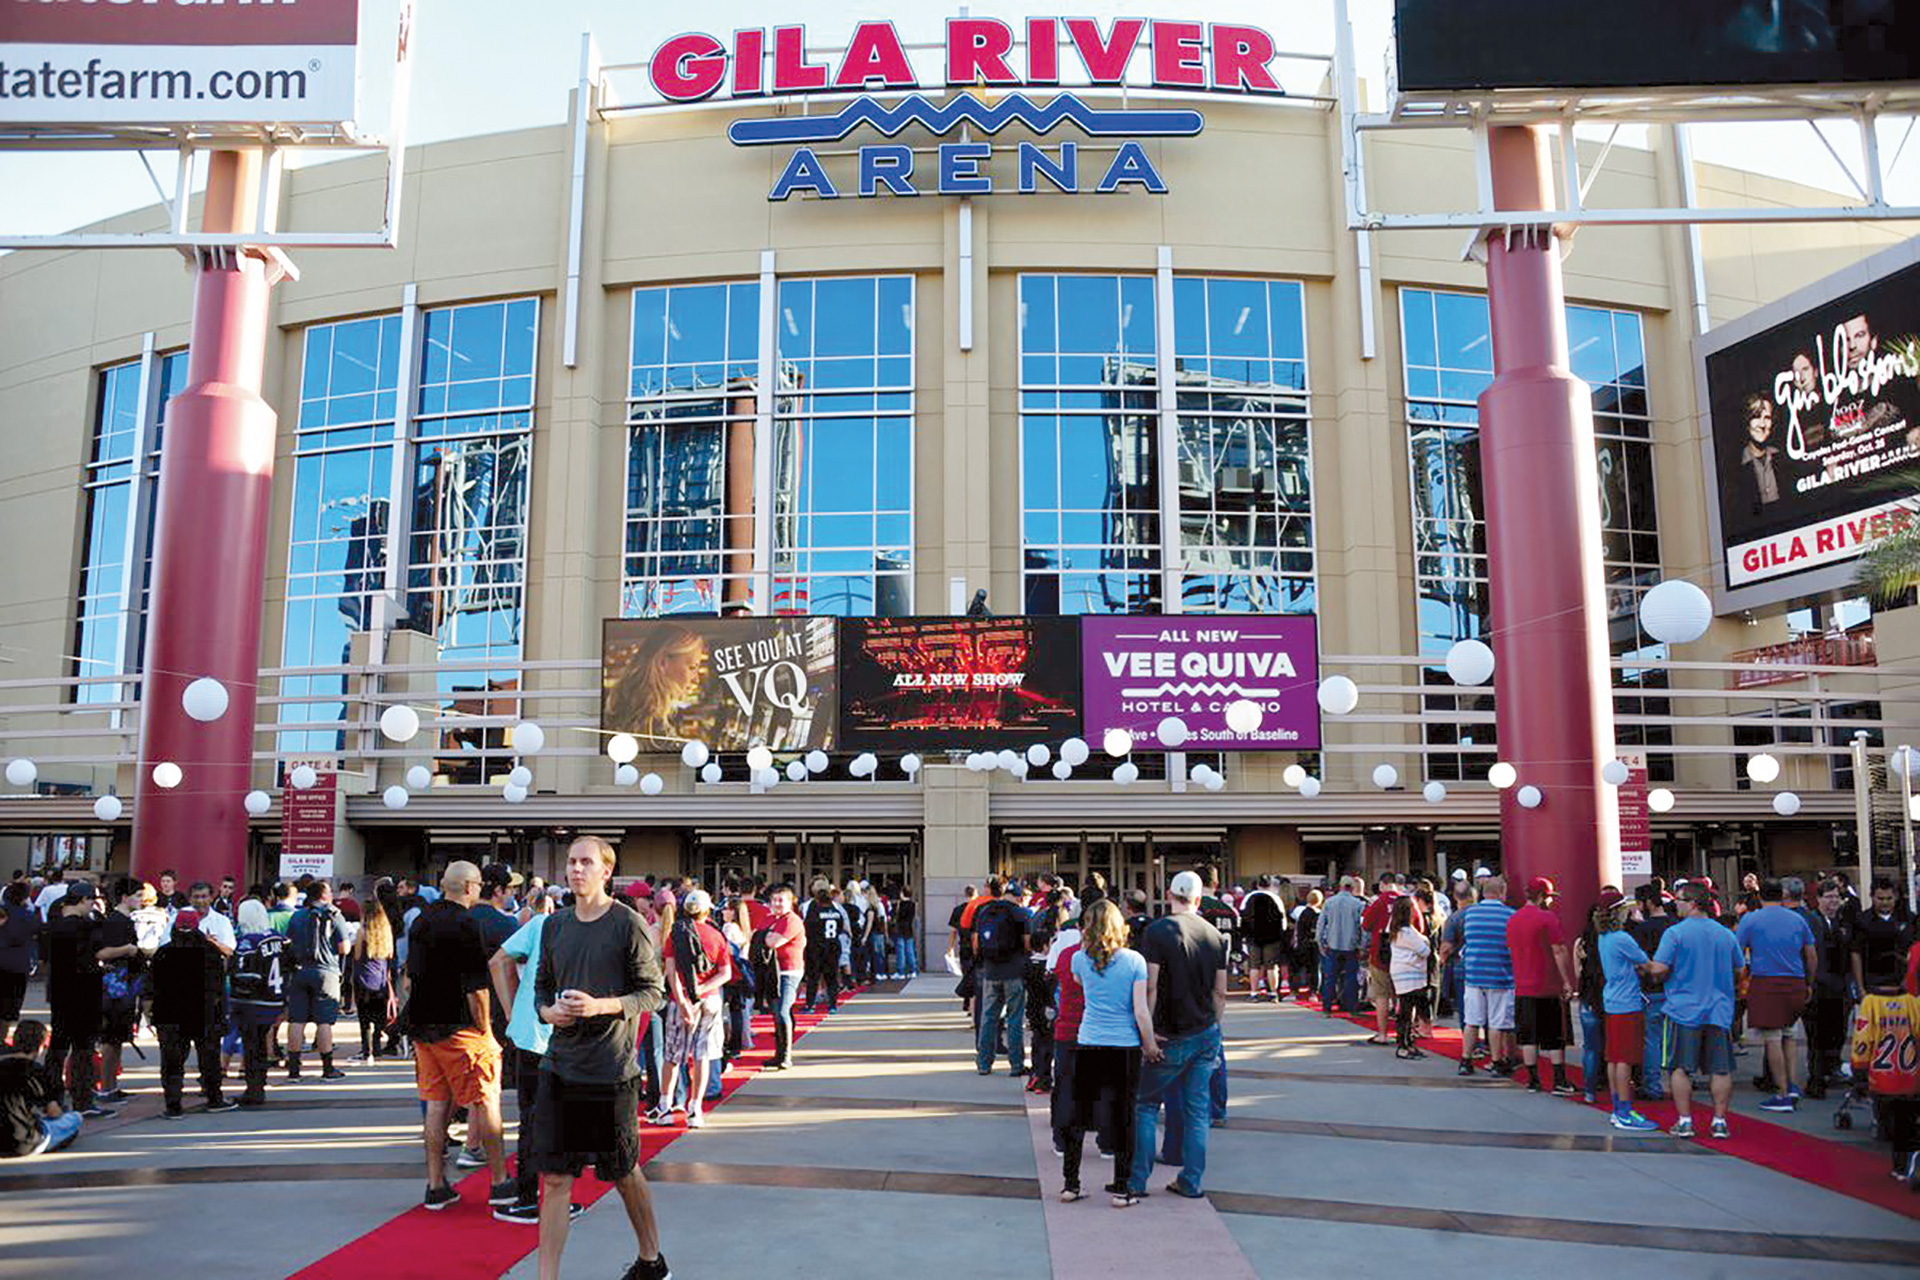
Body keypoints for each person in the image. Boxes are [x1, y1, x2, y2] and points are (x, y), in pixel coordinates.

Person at [532, 836, 669, 1280]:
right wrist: (547, 1011)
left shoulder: (627, 924)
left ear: (606, 871)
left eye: (586, 862)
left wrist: (601, 1006)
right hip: (559, 1066)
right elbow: (541, 984)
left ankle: (652, 1260)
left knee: (624, 1172)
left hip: (611, 1071)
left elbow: (653, 993)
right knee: (554, 1178)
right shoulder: (554, 925)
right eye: (571, 862)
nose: (575, 869)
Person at [404, 860, 513, 1212]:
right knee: (487, 1100)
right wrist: (487, 1031)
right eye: (479, 884)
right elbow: (476, 988)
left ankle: (436, 1184)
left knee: (437, 1105)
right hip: (462, 1028)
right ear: (468, 887)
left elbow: (410, 976)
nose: (480, 890)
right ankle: (499, 1182)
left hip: (424, 1027)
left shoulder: (421, 920)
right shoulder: (467, 923)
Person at [1127, 870, 1226, 1205]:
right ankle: (1191, 1179)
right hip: (1205, 1031)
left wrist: (1148, 1036)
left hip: (1168, 1032)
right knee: (1197, 1109)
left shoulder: (1157, 931)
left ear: (1169, 894)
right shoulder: (1214, 935)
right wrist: (1214, 1027)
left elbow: (1151, 985)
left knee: (1145, 1104)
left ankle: (1138, 1179)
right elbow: (1220, 993)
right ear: (1199, 898)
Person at [487, 884, 582, 1225]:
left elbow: (498, 961)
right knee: (560, 1121)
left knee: (530, 1119)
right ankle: (551, 1196)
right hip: (567, 1038)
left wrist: (513, 1010)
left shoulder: (541, 924)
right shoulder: (590, 933)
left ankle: (528, 1195)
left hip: (530, 1033)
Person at [1061, 900, 1161, 1205]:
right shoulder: (1135, 961)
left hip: (1088, 1040)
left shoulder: (1079, 959)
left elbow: (1079, 984)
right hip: (1124, 1046)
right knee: (1123, 1116)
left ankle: (1071, 1184)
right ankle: (1121, 1187)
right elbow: (1141, 1012)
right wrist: (1151, 1046)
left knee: (1078, 1114)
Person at [1648, 884, 1744, 1139]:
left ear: (1691, 903)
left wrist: (1646, 968)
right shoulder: (1725, 934)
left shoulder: (1675, 933)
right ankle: (1720, 1121)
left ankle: (1685, 1120)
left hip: (1683, 1009)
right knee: (1720, 1069)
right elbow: (1739, 968)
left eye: (1678, 901)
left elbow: (1659, 968)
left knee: (1680, 1067)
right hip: (1719, 1010)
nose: (1674, 905)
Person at [650, 888, 732, 1129]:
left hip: (680, 1001)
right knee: (702, 1055)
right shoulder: (716, 936)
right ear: (707, 910)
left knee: (673, 1055)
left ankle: (665, 1107)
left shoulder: (675, 934)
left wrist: (685, 1000)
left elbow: (672, 973)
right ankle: (695, 1109)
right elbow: (725, 973)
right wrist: (703, 988)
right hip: (710, 1000)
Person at [1735, 878, 1817, 1112]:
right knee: (1789, 1035)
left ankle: (1781, 1093)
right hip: (1795, 980)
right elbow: (1811, 955)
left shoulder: (1751, 919)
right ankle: (1792, 1084)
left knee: (1772, 1037)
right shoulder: (1798, 919)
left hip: (1766, 980)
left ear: (1761, 896)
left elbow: (1737, 953)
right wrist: (1809, 982)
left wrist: (1740, 977)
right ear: (1781, 895)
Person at [147, 909, 237, 1118]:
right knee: (209, 1058)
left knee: (171, 1062)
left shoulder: (164, 952)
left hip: (170, 1014)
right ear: (197, 926)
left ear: (175, 927)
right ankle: (214, 1098)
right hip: (204, 1013)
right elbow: (218, 985)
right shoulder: (210, 951)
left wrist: (149, 1013)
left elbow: (151, 987)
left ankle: (173, 1105)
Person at [44, 882, 112, 1118]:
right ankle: (83, 1099)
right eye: (91, 900)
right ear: (83, 901)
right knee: (83, 1049)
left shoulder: (54, 926)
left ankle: (52, 1097)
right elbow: (100, 951)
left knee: (58, 1048)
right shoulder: (86, 927)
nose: (94, 905)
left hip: (60, 992)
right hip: (84, 993)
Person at [1594, 895, 1659, 1131]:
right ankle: (1623, 1111)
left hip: (1612, 1000)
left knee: (1614, 1057)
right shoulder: (1622, 938)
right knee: (1624, 1059)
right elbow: (1648, 964)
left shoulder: (1604, 937)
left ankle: (1618, 1107)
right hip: (1627, 1003)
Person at [1508, 877, 1577, 1095]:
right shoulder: (1548, 918)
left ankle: (1533, 1080)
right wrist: (1566, 980)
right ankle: (1558, 1080)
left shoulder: (1513, 920)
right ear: (1541, 896)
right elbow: (1558, 950)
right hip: (1547, 985)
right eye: (1549, 897)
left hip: (1522, 986)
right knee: (1554, 1036)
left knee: (1529, 1036)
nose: (1551, 901)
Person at [285, 880, 350, 1081]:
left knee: (296, 1020)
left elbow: (289, 942)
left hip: (300, 971)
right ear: (323, 895)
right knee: (324, 1022)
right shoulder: (334, 915)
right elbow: (344, 948)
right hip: (326, 972)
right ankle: (327, 1068)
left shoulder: (296, 916)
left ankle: (294, 1070)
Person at [1456, 876, 1517, 1078]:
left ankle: (1465, 1060)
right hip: (1500, 974)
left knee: (1472, 1020)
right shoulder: (1510, 915)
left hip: (1473, 974)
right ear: (1502, 893)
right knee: (1497, 1023)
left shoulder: (1470, 913)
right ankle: (1497, 1061)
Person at [972, 878, 1031, 1077]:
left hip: (991, 971)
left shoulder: (984, 911)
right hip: (1014, 972)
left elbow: (976, 943)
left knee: (988, 1017)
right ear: (1018, 897)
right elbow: (1027, 944)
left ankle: (984, 1063)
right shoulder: (1020, 913)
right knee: (1014, 1019)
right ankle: (1016, 1065)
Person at [229, 913, 288, 1108]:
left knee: (251, 1046)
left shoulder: (249, 941)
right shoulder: (279, 938)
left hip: (253, 1002)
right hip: (274, 998)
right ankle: (258, 1086)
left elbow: (243, 973)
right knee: (261, 1046)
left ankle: (254, 1090)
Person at [0, 1021, 81, 1158]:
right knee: (75, 1118)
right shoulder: (36, 1071)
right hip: (24, 1142)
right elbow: (54, 1112)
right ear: (41, 1046)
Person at [1804, 878, 1853, 1098]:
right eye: (1829, 897)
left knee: (1838, 1031)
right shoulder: (1812, 921)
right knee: (1817, 1036)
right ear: (1819, 899)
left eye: (1836, 897)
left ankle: (1831, 1069)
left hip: (1840, 986)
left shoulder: (1844, 921)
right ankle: (1816, 1078)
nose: (1833, 901)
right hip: (1819, 986)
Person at [763, 886, 806, 1070]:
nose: (777, 904)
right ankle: (779, 1053)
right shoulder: (772, 919)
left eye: (781, 900)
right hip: (774, 971)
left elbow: (773, 942)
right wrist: (766, 935)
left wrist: (765, 936)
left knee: (782, 1010)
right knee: (775, 1011)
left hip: (789, 971)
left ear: (790, 902)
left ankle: (786, 1055)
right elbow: (754, 935)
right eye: (774, 900)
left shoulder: (792, 921)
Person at [351, 902, 398, 1060]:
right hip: (381, 979)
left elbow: (357, 955)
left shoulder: (362, 932)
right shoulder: (387, 933)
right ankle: (377, 1046)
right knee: (379, 1016)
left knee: (364, 1017)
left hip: (364, 977)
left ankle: (366, 1049)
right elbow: (390, 956)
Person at [1387, 894, 1432, 1060]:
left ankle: (1407, 1043)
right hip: (1410, 975)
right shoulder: (1407, 932)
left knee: (1407, 1010)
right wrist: (1426, 941)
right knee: (1406, 1011)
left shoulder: (1396, 929)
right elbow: (1425, 951)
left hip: (1401, 974)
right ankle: (1403, 1045)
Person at [1316, 876, 1364, 1015]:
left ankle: (1327, 1007)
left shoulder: (1329, 902)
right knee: (1351, 977)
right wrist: (1362, 945)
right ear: (1352, 887)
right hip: (1351, 945)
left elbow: (1321, 924)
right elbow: (1363, 927)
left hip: (1332, 944)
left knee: (1330, 977)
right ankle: (1351, 1007)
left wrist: (1320, 942)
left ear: (1340, 886)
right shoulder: (1358, 904)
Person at [1241, 875, 1290, 1002]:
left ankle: (1254, 993)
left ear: (1257, 885)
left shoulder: (1248, 898)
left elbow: (1242, 918)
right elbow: (1282, 921)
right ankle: (1273, 993)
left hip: (1253, 937)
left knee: (1254, 966)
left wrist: (1244, 936)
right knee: (1271, 966)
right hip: (1272, 937)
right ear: (1269, 885)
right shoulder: (1275, 898)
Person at [0, 881, 38, 1045]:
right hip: (17, 965)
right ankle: (2, 1039)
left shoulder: (3, 913)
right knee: (9, 1010)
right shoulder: (27, 915)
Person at [801, 885, 846, 1014]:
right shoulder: (836, 912)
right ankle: (832, 1005)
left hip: (817, 948)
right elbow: (841, 927)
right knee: (831, 978)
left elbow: (808, 929)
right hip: (833, 946)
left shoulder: (815, 912)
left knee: (813, 978)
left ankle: (810, 1005)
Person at [1289, 888, 1320, 1000]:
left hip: (1302, 944)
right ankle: (1313, 992)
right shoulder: (1319, 913)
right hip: (1315, 945)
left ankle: (1294, 991)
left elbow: (1298, 930)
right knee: (1314, 970)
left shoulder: (1302, 912)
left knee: (1296, 969)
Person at [892, 884, 918, 978]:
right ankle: (913, 970)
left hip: (900, 929)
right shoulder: (913, 904)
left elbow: (898, 917)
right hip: (909, 929)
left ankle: (901, 972)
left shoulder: (901, 905)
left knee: (901, 952)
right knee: (910, 950)